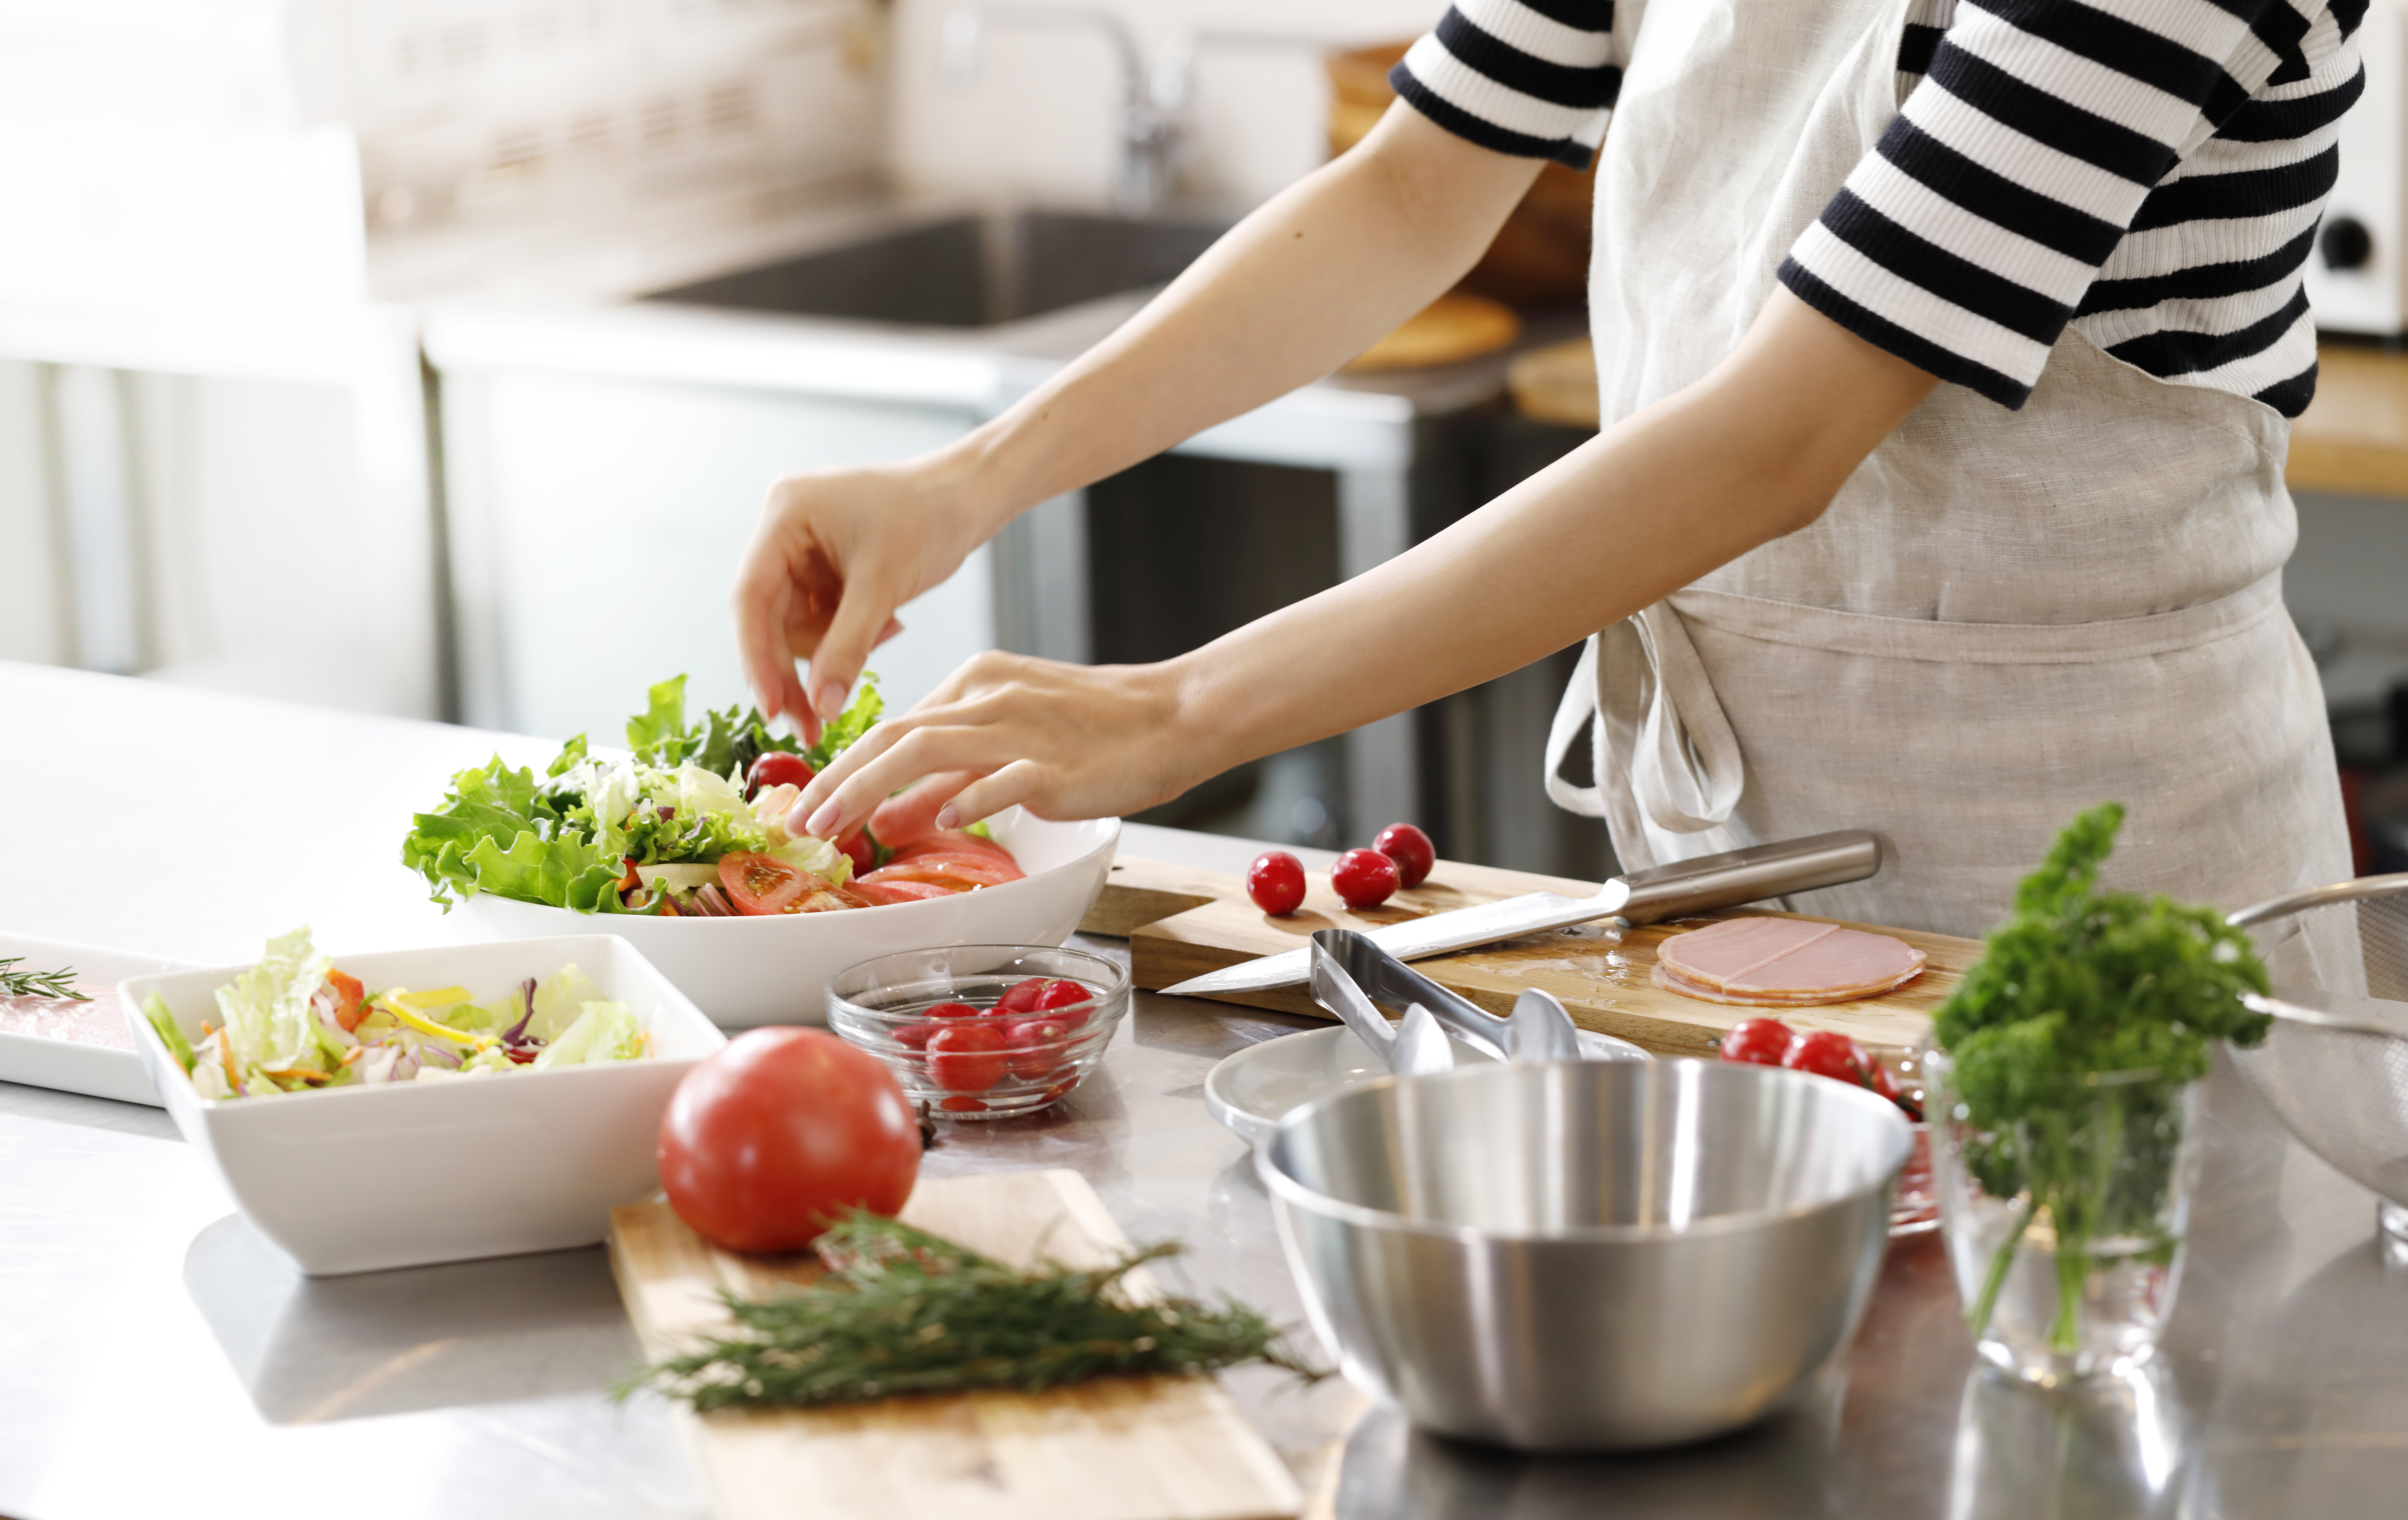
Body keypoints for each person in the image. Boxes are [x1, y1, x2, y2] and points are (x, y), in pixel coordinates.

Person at [734, 0, 2364, 980]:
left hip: (2085, 856)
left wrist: (1176, 712)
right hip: (1733, 832)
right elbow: (1414, 185)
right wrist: (966, 481)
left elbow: (1774, 441)